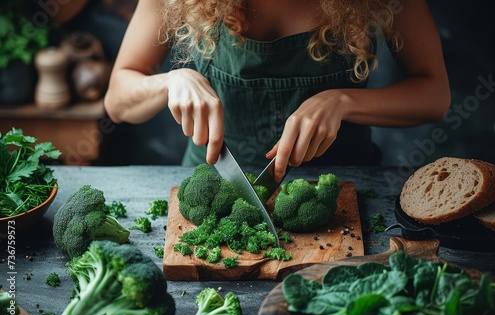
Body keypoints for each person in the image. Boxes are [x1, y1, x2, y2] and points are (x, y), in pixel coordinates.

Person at [104, 0, 450, 182]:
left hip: (345, 186)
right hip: (212, 185)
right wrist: (170, 82)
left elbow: (434, 96)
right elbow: (118, 100)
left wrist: (343, 101)